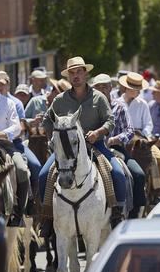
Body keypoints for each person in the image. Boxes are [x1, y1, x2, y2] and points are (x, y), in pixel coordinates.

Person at [39, 57, 127, 227]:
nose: (75, 75)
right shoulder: (60, 99)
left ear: (85, 73)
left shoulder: (99, 97)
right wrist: (54, 138)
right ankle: (47, 217)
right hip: (66, 149)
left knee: (117, 172)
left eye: (79, 71)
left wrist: (98, 132)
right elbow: (47, 121)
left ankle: (117, 212)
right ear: (68, 77)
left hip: (95, 145)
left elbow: (110, 121)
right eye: (72, 73)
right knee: (44, 175)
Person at [0, 65, 30, 228]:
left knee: (22, 169)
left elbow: (16, 126)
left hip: (4, 143)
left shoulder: (9, 103)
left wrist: (2, 134)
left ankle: (19, 212)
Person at [92, 74, 147, 217]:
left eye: (105, 86)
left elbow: (129, 131)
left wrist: (114, 139)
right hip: (91, 148)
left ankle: (133, 214)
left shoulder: (119, 106)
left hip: (115, 148)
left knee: (138, 174)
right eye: (98, 87)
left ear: (111, 88)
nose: (102, 89)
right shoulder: (89, 106)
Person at [0, 70, 40, 211]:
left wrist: (6, 135)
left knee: (35, 166)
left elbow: (22, 127)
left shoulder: (16, 103)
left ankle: (30, 203)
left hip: (14, 142)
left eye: (2, 84)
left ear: (8, 85)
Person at [117, 72, 153, 137]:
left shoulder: (143, 104)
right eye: (137, 89)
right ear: (129, 89)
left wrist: (142, 135)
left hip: (139, 138)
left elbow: (148, 124)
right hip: (119, 138)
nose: (139, 92)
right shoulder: (116, 103)